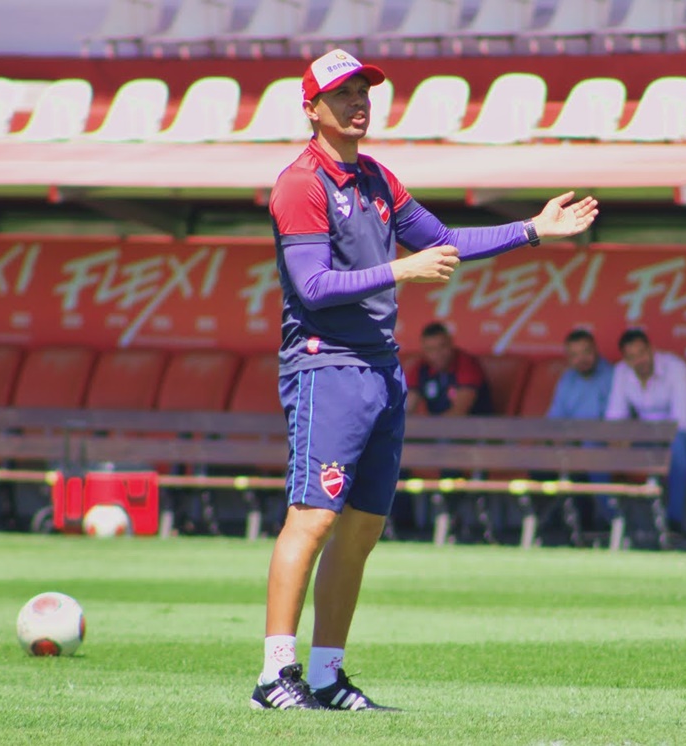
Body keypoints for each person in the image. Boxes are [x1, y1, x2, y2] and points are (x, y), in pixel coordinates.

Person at [254, 48, 598, 711]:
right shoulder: (301, 184)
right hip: (327, 365)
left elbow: (445, 241)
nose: (359, 103)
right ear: (311, 109)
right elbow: (313, 286)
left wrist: (534, 229)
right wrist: (401, 272)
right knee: (313, 518)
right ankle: (275, 676)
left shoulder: (379, 178)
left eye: (365, 91)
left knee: (361, 528)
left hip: (381, 369)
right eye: (343, 93)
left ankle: (326, 677)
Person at [604, 329, 686, 542]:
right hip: (646, 443)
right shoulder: (622, 372)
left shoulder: (676, 368)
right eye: (632, 357)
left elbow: (680, 424)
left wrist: (633, 437)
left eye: (642, 353)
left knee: (676, 443)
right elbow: (614, 420)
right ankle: (610, 521)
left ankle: (673, 522)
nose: (639, 361)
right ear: (625, 359)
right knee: (597, 448)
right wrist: (622, 439)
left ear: (652, 350)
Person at [545, 328, 617, 533]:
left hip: (604, 445)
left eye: (586, 352)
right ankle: (555, 520)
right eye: (574, 355)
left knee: (590, 451)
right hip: (573, 446)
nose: (582, 359)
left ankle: (608, 519)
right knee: (545, 457)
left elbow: (612, 420)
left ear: (596, 350)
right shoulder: (567, 379)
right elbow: (555, 419)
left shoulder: (612, 375)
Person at [407, 321, 493, 416]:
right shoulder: (420, 367)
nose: (437, 354)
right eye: (430, 349)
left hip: (476, 428)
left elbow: (458, 413)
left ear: (451, 343)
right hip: (437, 427)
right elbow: (408, 408)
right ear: (423, 350)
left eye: (442, 346)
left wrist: (429, 427)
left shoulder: (467, 364)